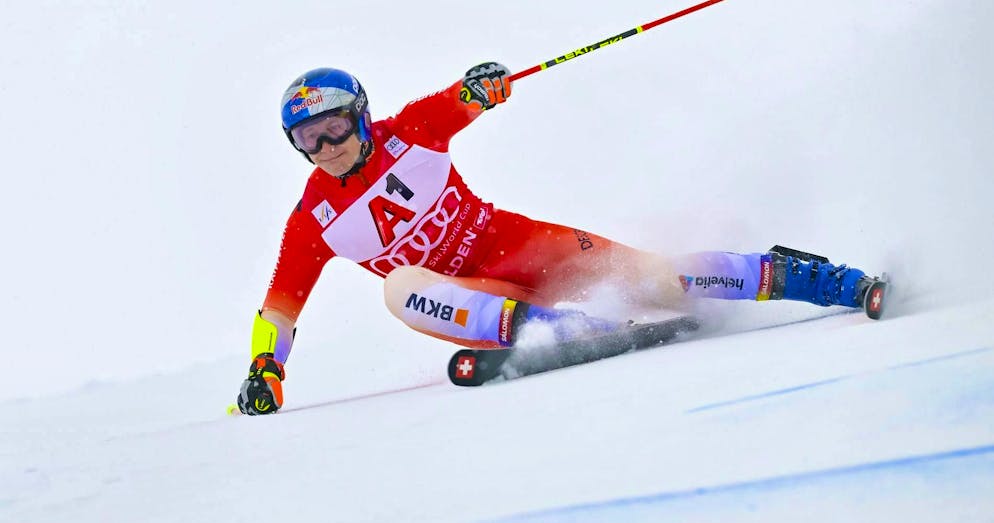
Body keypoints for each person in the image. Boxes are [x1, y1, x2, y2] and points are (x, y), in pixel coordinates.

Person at [235, 63, 886, 415]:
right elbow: (279, 308)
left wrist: (483, 87)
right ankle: (551, 328)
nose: (323, 149)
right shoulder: (313, 219)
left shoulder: (411, 130)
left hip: (521, 248)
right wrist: (266, 368)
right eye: (306, 140)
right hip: (482, 297)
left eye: (333, 129)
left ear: (361, 117)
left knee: (660, 280)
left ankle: (816, 279)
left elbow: (467, 96)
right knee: (402, 289)